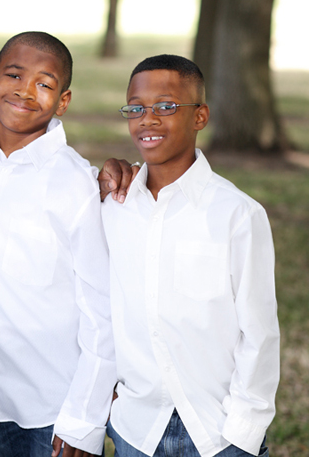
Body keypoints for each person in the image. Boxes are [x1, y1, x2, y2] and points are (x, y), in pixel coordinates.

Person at [102, 55, 280, 457]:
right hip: (137, 429)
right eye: (136, 108)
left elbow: (259, 332)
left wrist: (243, 430)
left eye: (166, 106)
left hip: (218, 432)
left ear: (200, 117)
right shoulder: (113, 205)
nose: (147, 119)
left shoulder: (237, 214)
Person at [0, 32, 115, 457]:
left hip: (49, 411)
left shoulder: (76, 185)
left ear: (63, 101)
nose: (25, 90)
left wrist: (84, 421)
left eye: (45, 84)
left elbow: (101, 312)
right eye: (14, 75)